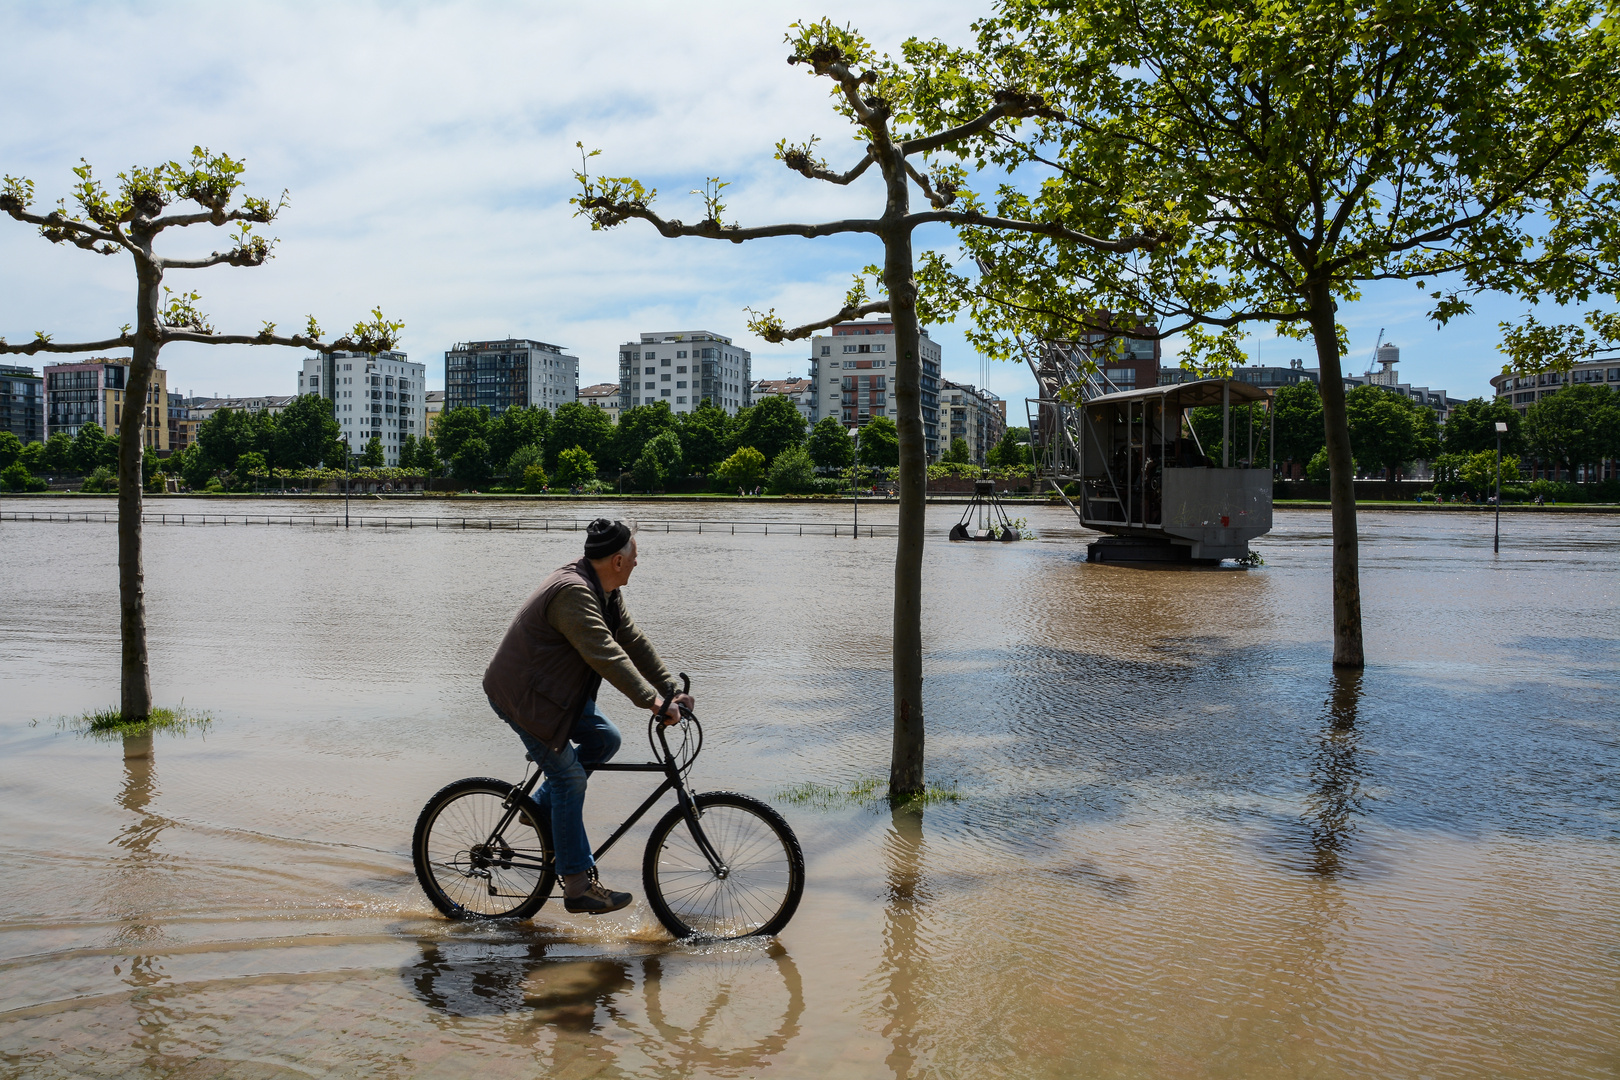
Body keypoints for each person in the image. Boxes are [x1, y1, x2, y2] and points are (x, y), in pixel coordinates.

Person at [482, 519, 691, 915]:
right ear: (616, 560)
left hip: (557, 696)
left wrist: (669, 689)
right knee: (570, 777)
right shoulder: (574, 594)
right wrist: (652, 702)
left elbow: (629, 639)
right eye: (634, 557)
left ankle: (540, 810)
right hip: (524, 697)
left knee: (605, 739)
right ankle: (578, 887)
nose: (637, 564)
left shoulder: (604, 590)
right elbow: (605, 654)